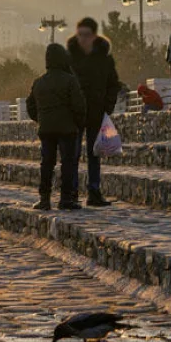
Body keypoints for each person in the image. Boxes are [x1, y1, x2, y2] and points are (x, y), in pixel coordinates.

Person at [66, 17, 120, 207]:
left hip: (97, 112)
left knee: (94, 153)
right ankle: (71, 192)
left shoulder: (104, 58)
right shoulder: (70, 57)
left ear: (95, 36)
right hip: (75, 113)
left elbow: (113, 83)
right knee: (72, 154)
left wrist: (107, 106)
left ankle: (94, 192)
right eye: (79, 34)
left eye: (86, 35)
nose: (82, 39)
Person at [26, 43, 86, 211]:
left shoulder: (39, 82)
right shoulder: (70, 80)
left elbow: (30, 105)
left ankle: (44, 199)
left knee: (47, 163)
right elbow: (79, 106)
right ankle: (66, 199)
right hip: (67, 130)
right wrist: (77, 123)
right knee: (67, 163)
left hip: (46, 130)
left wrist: (40, 119)